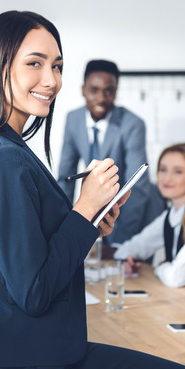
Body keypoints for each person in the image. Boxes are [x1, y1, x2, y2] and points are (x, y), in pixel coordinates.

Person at [0, 11, 185, 369]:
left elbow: (30, 250)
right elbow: (33, 291)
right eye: (34, 63)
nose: (51, 80)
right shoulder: (3, 158)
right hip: (26, 366)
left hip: (42, 352)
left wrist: (89, 227)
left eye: (57, 66)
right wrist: (83, 210)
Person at [58, 59, 166, 245]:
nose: (101, 98)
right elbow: (65, 178)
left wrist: (118, 243)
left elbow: (137, 187)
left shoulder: (132, 124)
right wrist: (62, 229)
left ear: (116, 91)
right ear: (83, 90)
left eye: (109, 91)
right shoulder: (73, 119)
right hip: (104, 212)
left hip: (137, 215)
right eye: (94, 90)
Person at [114, 143, 185, 288]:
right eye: (163, 170)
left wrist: (161, 267)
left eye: (178, 172)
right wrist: (127, 260)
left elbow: (176, 278)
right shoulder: (169, 216)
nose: (167, 178)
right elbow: (129, 248)